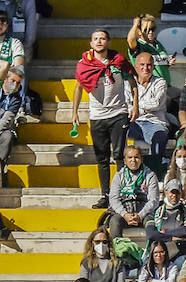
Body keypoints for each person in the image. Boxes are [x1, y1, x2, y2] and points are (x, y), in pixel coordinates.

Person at [73, 29, 134, 209]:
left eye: (103, 38)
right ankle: (106, 195)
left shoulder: (119, 62)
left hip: (118, 113)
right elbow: (78, 88)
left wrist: (135, 106)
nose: (99, 41)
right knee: (102, 157)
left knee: (119, 154)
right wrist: (74, 112)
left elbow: (132, 82)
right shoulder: (84, 64)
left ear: (108, 42)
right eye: (96, 39)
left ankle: (124, 193)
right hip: (97, 115)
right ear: (91, 43)